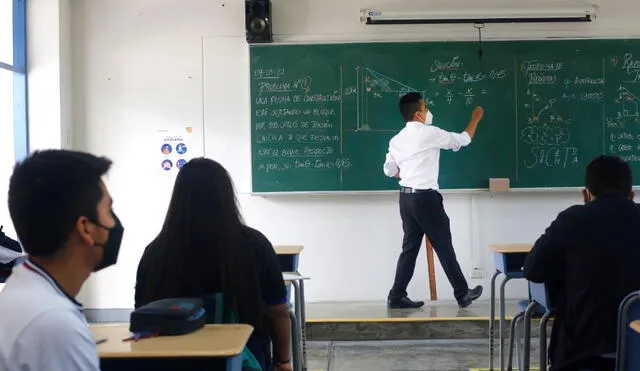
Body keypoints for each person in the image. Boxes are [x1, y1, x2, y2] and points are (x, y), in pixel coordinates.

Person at [134, 158, 292, 371]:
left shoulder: (156, 253)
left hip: (174, 365)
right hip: (246, 362)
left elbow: (142, 316)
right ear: (227, 197)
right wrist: (283, 362)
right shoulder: (254, 246)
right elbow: (278, 311)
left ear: (178, 198)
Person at [0, 150, 123, 370]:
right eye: (109, 209)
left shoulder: (26, 293)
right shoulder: (54, 325)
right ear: (85, 228)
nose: (114, 222)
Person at [524, 155, 640, 371]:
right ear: (632, 195)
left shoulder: (571, 220)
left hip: (581, 352)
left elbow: (532, 270)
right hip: (637, 352)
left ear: (585, 195)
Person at [383, 92, 484, 309]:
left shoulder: (397, 139)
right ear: (418, 114)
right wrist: (476, 117)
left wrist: (408, 172)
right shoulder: (429, 133)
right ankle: (463, 293)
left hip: (406, 198)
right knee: (443, 245)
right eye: (426, 107)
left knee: (409, 248)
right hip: (425, 198)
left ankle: (396, 295)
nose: (429, 111)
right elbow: (463, 140)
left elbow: (389, 170)